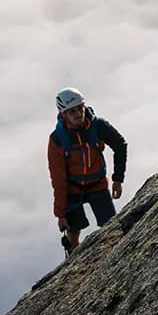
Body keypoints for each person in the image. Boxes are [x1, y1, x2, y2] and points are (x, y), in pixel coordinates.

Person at [48, 88, 128, 256]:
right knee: (73, 231)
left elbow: (120, 145)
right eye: (72, 111)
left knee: (111, 227)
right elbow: (58, 179)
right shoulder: (57, 140)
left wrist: (117, 180)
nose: (78, 113)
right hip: (72, 189)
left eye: (80, 108)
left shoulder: (98, 126)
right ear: (63, 114)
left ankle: (115, 257)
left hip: (97, 185)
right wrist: (60, 213)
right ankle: (73, 256)